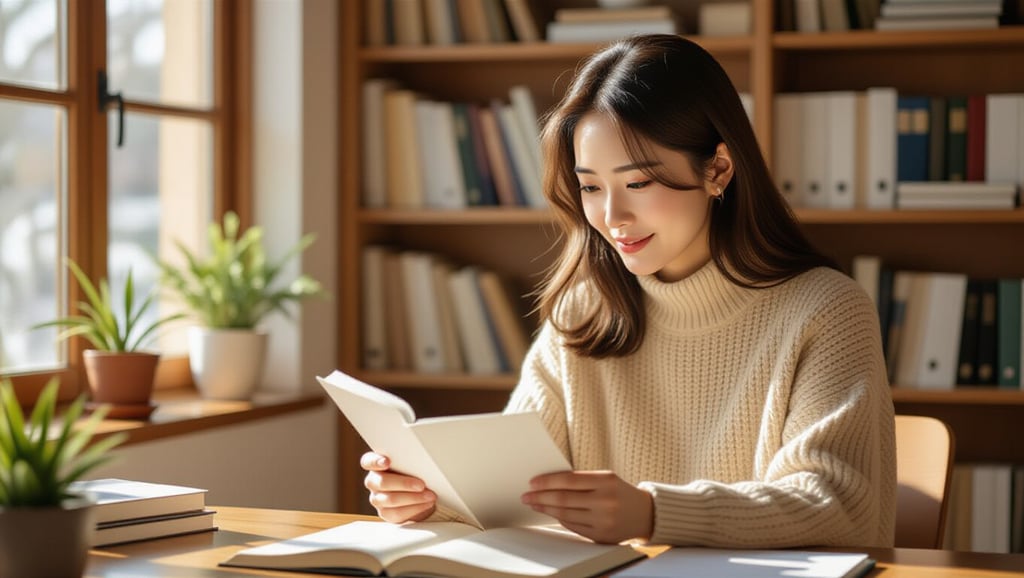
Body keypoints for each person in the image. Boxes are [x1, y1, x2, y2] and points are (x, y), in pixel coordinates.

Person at [361, 34, 895, 548]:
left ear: (718, 169)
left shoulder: (826, 310)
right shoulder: (583, 312)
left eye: (638, 183)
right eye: (591, 187)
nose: (612, 216)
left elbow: (835, 504)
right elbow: (511, 491)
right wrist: (429, 499)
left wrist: (653, 512)